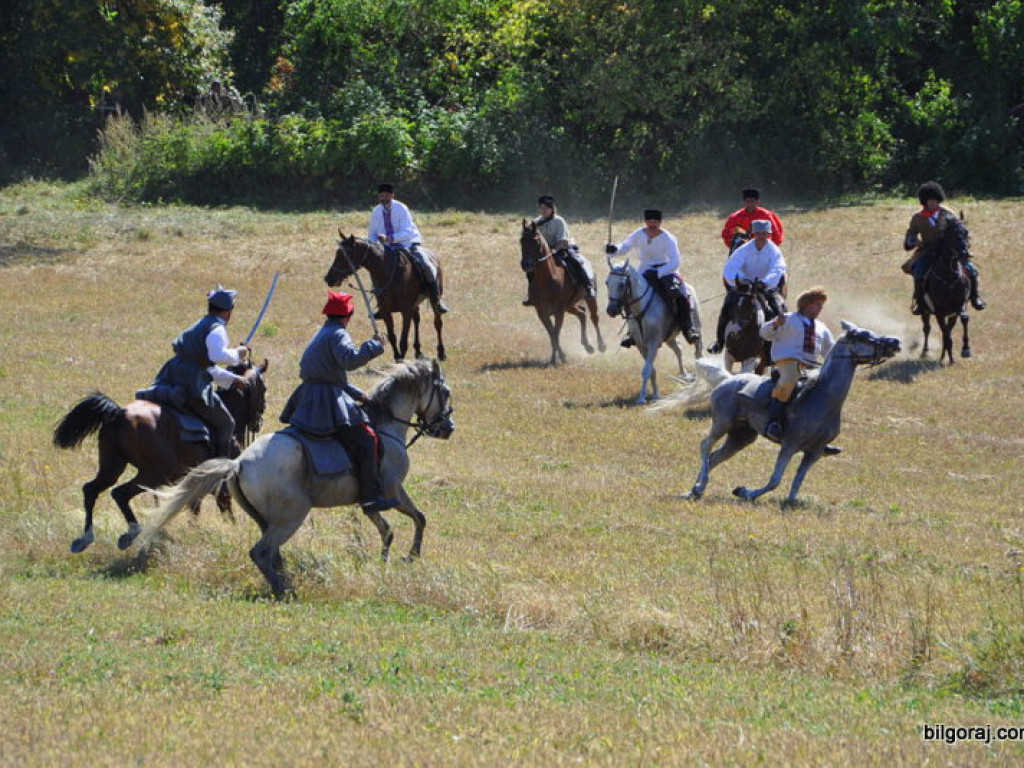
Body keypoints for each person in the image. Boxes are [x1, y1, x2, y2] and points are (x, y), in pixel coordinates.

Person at [279, 292, 398, 513]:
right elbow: (349, 361)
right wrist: (374, 346)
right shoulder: (338, 334)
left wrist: (357, 394)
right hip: (326, 400)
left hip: (311, 394)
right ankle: (370, 498)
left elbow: (332, 375)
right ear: (348, 315)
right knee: (367, 439)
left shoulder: (323, 333)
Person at [149, 287, 250, 458]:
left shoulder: (200, 324)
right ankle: (221, 467)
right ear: (228, 311)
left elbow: (205, 366)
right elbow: (215, 356)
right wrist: (238, 353)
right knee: (226, 423)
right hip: (192, 381)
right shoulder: (217, 329)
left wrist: (233, 378)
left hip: (173, 373)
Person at [759, 286, 837, 450]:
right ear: (806, 304)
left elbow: (831, 350)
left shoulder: (822, 328)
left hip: (811, 366)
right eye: (817, 304)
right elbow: (764, 333)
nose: (820, 308)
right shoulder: (787, 319)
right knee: (790, 379)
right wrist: (775, 323)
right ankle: (773, 423)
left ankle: (818, 436)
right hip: (787, 362)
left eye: (821, 305)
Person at [605, 209, 697, 346]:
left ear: (660, 222)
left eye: (656, 221)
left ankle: (688, 328)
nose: (652, 224)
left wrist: (660, 272)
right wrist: (614, 249)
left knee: (680, 296)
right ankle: (632, 332)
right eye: (650, 221)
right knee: (628, 294)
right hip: (645, 272)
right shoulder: (638, 234)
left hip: (666, 272)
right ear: (646, 221)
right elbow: (625, 247)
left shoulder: (668, 238)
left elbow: (675, 261)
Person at [902, 181, 985, 314]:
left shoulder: (948, 214)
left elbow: (959, 230)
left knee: (971, 269)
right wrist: (915, 242)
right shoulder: (917, 218)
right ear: (924, 201)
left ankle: (975, 297)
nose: (933, 203)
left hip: (949, 251)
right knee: (919, 270)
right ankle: (920, 302)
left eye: (935, 200)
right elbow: (911, 233)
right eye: (930, 201)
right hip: (928, 252)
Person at [708, 219, 787, 354]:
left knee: (779, 309)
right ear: (753, 234)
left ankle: (779, 347)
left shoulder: (774, 251)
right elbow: (731, 267)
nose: (761, 237)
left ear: (769, 235)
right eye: (758, 233)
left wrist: (765, 282)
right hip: (745, 287)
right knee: (727, 306)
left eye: (764, 234)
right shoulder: (743, 250)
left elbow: (778, 268)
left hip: (766, 287)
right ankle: (719, 342)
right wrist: (741, 281)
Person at [368, 183, 448, 314]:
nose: (384, 198)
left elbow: (407, 232)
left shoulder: (401, 209)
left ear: (393, 195)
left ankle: (436, 300)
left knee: (426, 264)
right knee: (375, 269)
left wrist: (389, 238)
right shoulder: (376, 211)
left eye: (386, 195)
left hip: (408, 244)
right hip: (386, 248)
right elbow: (372, 233)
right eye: (381, 196)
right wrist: (372, 244)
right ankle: (381, 305)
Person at [523, 195, 596, 305]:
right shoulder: (536, 222)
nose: (543, 210)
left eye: (546, 208)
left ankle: (588, 287)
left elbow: (562, 241)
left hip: (562, 247)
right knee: (531, 268)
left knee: (575, 261)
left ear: (552, 208)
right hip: (545, 252)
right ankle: (532, 295)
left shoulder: (559, 221)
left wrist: (554, 250)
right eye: (541, 208)